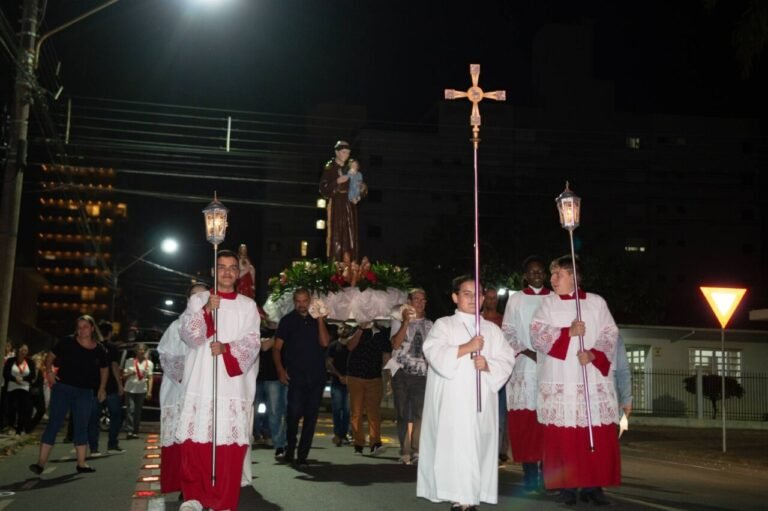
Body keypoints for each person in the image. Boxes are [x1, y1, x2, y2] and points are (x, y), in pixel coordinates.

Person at [417, 276, 516, 511]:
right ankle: (459, 499)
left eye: (477, 294)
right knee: (456, 447)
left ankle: (470, 497)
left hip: (481, 404)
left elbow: (507, 359)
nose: (473, 298)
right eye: (466, 293)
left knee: (477, 447)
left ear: (483, 298)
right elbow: (433, 352)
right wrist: (466, 348)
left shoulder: (492, 330)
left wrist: (489, 366)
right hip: (453, 402)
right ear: (455, 297)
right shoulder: (444, 325)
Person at [530, 256, 621, 506]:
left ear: (573, 276)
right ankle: (566, 487)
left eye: (558, 274)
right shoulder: (548, 304)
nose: (552, 279)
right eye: (552, 274)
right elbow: (536, 335)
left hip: (590, 380)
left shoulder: (596, 303)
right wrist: (566, 333)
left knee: (594, 435)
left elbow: (610, 334)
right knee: (563, 437)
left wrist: (594, 354)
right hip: (560, 377)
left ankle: (593, 486)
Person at [176, 250, 261, 511]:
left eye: (232, 268)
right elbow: (189, 335)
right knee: (195, 443)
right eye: (221, 267)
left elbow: (252, 342)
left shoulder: (247, 306)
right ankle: (194, 497)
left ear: (238, 273)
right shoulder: (199, 300)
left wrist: (226, 348)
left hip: (230, 385)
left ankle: (222, 501)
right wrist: (205, 311)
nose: (227, 272)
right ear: (213, 271)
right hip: (200, 381)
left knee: (228, 447)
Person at [30, 315, 108, 475]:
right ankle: (40, 464)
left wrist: (102, 388)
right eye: (79, 327)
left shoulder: (100, 348)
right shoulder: (67, 341)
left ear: (92, 328)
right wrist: (49, 372)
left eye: (85, 326)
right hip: (63, 388)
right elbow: (50, 357)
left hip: (85, 392)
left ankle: (81, 463)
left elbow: (104, 369)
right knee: (54, 424)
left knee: (81, 426)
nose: (82, 330)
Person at [501, 256, 550, 492]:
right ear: (525, 276)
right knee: (528, 425)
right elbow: (508, 331)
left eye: (540, 271)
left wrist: (549, 352)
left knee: (549, 422)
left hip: (552, 366)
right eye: (532, 271)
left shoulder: (555, 298)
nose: (537, 274)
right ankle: (530, 473)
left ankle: (547, 472)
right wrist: (528, 351)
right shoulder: (516, 300)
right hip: (525, 366)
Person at [158, 282, 209, 494]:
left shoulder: (218, 324)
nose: (199, 300)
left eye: (203, 296)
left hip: (206, 392)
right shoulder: (177, 326)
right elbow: (168, 357)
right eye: (194, 296)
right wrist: (187, 378)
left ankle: (205, 485)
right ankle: (184, 486)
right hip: (181, 391)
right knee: (184, 437)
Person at [273, 288, 331, 465]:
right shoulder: (287, 321)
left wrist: (320, 318)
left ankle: (303, 455)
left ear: (310, 300)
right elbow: (276, 349)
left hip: (317, 376)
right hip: (295, 376)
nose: (302, 304)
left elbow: (325, 342)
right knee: (293, 414)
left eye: (305, 301)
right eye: (298, 301)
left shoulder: (318, 320)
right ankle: (290, 448)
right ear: (294, 301)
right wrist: (280, 370)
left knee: (311, 416)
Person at [389, 288, 432, 465]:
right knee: (402, 412)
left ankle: (417, 450)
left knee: (420, 413)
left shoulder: (430, 324)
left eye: (423, 300)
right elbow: (395, 343)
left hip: (422, 374)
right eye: (416, 299)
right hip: (401, 372)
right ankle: (404, 450)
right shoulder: (397, 320)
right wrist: (406, 322)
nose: (419, 303)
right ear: (409, 301)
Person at [346, 321, 391, 455]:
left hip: (374, 377)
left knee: (374, 412)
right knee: (357, 412)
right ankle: (358, 444)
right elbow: (349, 346)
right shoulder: (357, 329)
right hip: (355, 376)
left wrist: (388, 378)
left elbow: (386, 356)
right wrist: (360, 328)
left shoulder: (383, 332)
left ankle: (375, 443)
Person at [319, 140, 367, 261]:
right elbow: (323, 189)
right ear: (337, 152)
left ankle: (351, 262)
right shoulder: (330, 167)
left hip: (350, 204)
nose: (346, 155)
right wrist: (337, 182)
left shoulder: (350, 166)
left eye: (348, 153)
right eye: (343, 152)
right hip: (337, 203)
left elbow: (360, 185)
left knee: (350, 233)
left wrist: (362, 188)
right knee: (337, 232)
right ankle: (335, 261)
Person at [481, 287, 507, 464]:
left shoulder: (503, 320)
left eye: (494, 298)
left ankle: (497, 451)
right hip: (479, 372)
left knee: (499, 415)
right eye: (488, 298)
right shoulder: (477, 319)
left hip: (496, 372)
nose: (492, 301)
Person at [97, 320, 125, 454]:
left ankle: (93, 447)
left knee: (93, 416)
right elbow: (114, 366)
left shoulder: (93, 345)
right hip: (111, 386)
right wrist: (119, 384)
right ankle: (112, 444)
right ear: (110, 333)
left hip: (95, 385)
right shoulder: (112, 348)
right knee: (115, 415)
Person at [3, 343, 36, 435]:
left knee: (23, 409)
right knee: (12, 408)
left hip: (24, 387)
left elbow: (32, 375)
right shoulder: (10, 361)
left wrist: (22, 379)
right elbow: (6, 373)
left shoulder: (30, 362)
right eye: (22, 350)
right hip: (12, 387)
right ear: (18, 350)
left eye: (26, 350)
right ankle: (11, 426)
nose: (23, 352)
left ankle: (20, 428)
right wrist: (14, 379)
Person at [123, 343, 154, 440]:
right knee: (130, 410)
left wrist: (149, 391)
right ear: (136, 351)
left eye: (143, 350)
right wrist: (129, 374)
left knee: (138, 411)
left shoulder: (149, 363)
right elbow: (123, 376)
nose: (141, 351)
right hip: (130, 389)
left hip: (141, 390)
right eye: (139, 350)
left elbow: (150, 378)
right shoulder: (129, 361)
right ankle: (129, 430)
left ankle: (135, 431)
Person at [326, 330, 351, 447]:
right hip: (336, 381)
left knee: (347, 410)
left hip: (350, 382)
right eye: (341, 328)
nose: (343, 330)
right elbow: (329, 363)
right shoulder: (333, 346)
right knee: (337, 409)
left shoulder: (352, 345)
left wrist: (347, 377)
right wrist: (339, 376)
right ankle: (338, 434)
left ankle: (344, 434)